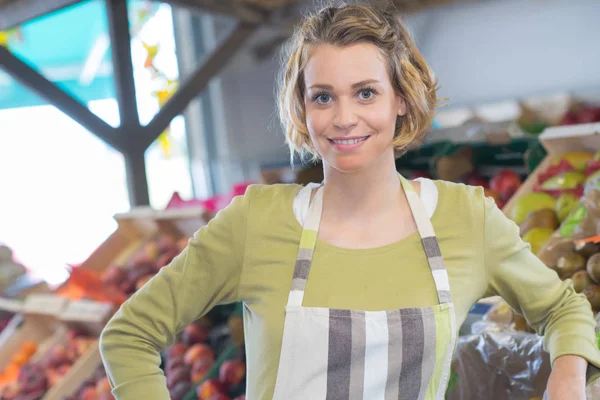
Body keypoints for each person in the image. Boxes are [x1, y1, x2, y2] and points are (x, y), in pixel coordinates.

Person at [99, 2, 600, 399]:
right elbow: (128, 334)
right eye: (323, 96)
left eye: (365, 93)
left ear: (401, 98)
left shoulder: (464, 218)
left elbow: (562, 309)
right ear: (302, 106)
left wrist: (566, 377)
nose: (343, 118)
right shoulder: (256, 222)